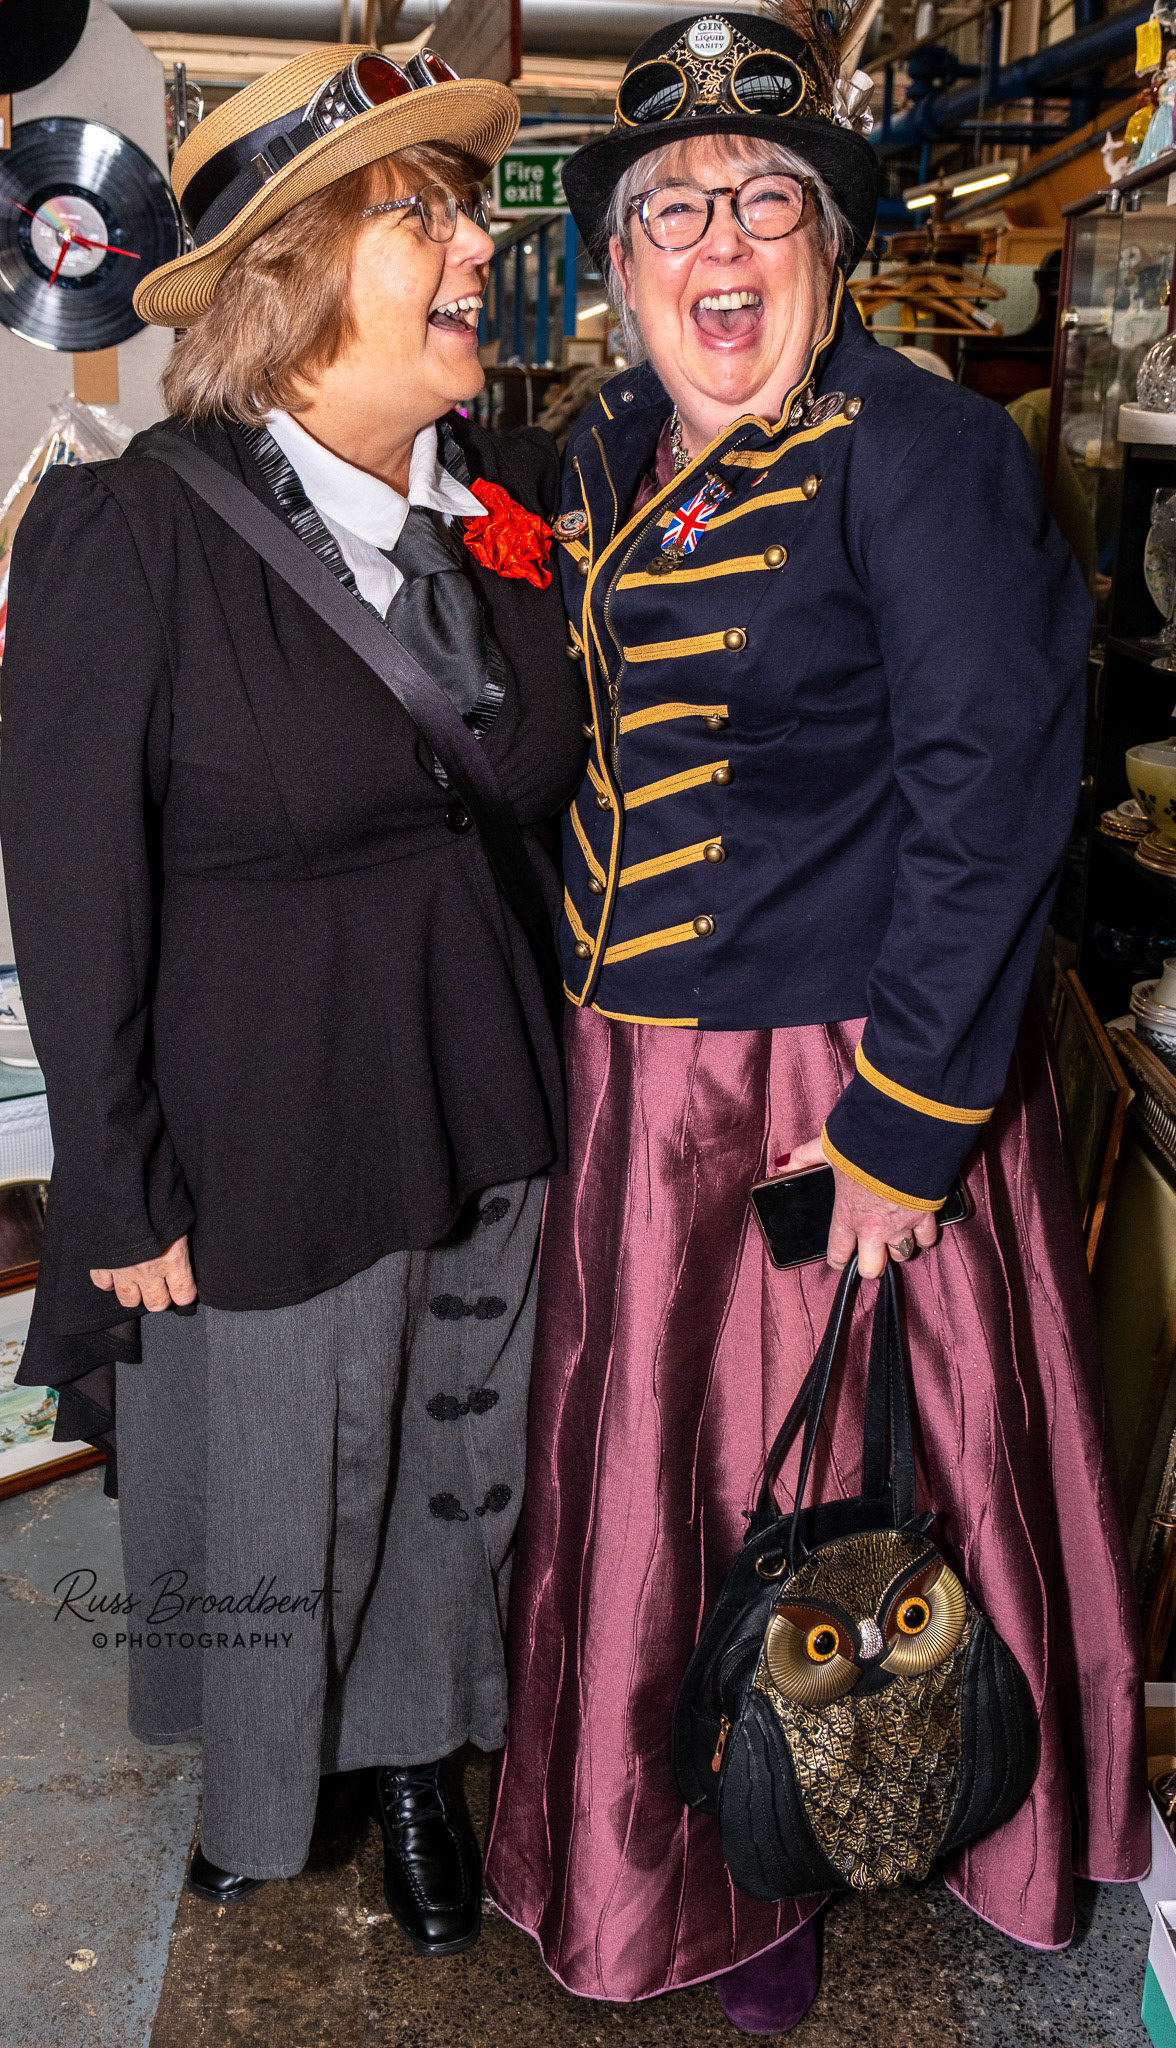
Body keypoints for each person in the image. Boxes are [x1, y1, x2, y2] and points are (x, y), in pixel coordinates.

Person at [484, 8, 1148, 2034]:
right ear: (620, 267)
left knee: (829, 1489)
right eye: (675, 210)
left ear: (832, 254)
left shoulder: (923, 457)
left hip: (825, 1073)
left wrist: (903, 1125)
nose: (723, 242)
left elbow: (995, 796)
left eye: (766, 202)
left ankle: (837, 1850)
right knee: (658, 1477)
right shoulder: (603, 451)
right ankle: (691, 1844)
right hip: (636, 1063)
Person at [1, 46, 586, 1951]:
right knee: (267, 1486)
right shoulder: (135, 531)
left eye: (465, 211)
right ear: (296, 275)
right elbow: (71, 885)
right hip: (257, 1125)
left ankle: (415, 1755)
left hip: (477, 1081)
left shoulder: (496, 517)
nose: (476, 246)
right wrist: (113, 1186)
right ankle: (262, 1790)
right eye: (422, 216)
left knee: (449, 1450)